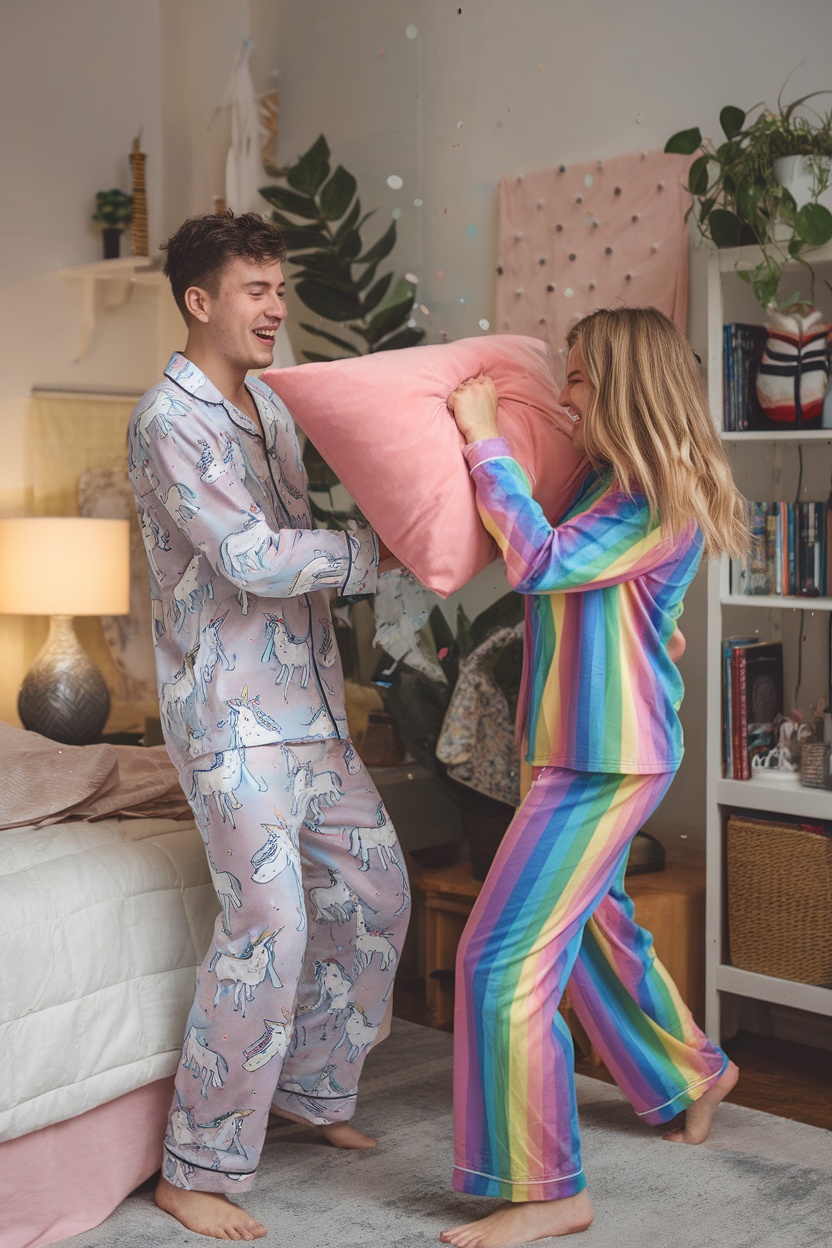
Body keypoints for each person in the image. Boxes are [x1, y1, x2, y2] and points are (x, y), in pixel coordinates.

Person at [440, 306, 749, 1248]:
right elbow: (619, 609)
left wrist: (484, 436)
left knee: (499, 962)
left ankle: (546, 1189)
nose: (567, 395)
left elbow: (538, 563)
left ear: (620, 383)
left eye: (578, 378)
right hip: (584, 748)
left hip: (604, 762)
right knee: (592, 929)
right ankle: (690, 1072)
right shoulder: (621, 482)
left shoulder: (659, 493)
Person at [127, 211, 409, 1241]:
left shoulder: (270, 415)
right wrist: (377, 556)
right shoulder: (168, 421)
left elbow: (295, 553)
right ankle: (193, 1166)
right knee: (271, 927)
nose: (277, 307)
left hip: (315, 717)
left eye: (279, 288)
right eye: (256, 290)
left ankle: (311, 1091)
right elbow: (250, 556)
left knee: (376, 892)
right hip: (232, 725)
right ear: (201, 301)